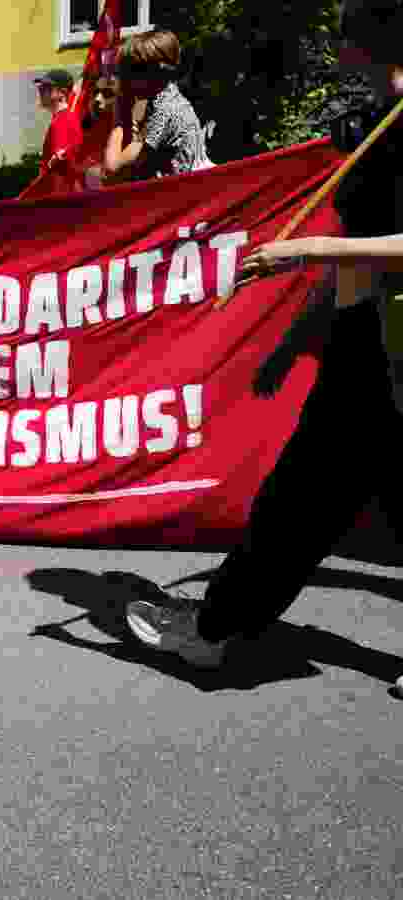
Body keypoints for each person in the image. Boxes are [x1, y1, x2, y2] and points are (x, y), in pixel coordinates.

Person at [125, 0, 403, 668]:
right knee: (308, 495)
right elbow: (362, 239)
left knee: (305, 495)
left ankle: (214, 628)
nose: (336, 49)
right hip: (362, 330)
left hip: (389, 343)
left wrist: (301, 250)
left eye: (346, 35)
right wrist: (300, 335)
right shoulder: (381, 120)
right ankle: (219, 625)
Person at [103, 30, 212, 181]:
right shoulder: (169, 99)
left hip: (181, 189)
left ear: (157, 72)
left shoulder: (164, 111)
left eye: (132, 70)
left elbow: (111, 169)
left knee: (93, 177)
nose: (125, 78)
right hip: (184, 183)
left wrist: (119, 121)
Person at [35, 69, 84, 194]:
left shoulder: (62, 121)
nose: (40, 91)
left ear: (62, 93)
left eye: (46, 87)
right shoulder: (63, 118)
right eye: (40, 87)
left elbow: (61, 167)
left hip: (61, 197)